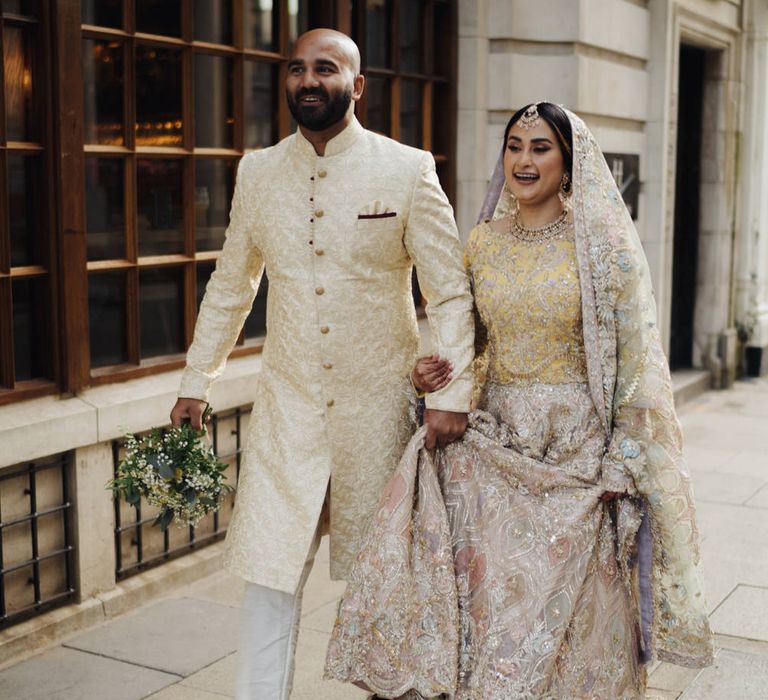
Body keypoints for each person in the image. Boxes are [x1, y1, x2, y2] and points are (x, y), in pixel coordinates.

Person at [325, 103, 714, 699]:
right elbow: (473, 341)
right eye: (514, 146)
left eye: (540, 148)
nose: (523, 161)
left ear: (569, 161)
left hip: (574, 453)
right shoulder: (483, 241)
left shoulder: (602, 245)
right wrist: (434, 374)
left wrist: (622, 458)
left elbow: (637, 360)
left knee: (565, 617)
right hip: (496, 444)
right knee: (491, 612)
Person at [169, 29, 474, 700]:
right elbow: (231, 285)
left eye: (326, 69)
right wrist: (197, 380)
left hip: (380, 413)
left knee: (387, 577)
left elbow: (448, 289)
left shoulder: (406, 168)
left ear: (356, 85)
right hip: (289, 408)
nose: (309, 79)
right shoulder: (257, 170)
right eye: (297, 68)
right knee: (269, 577)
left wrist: (452, 396)